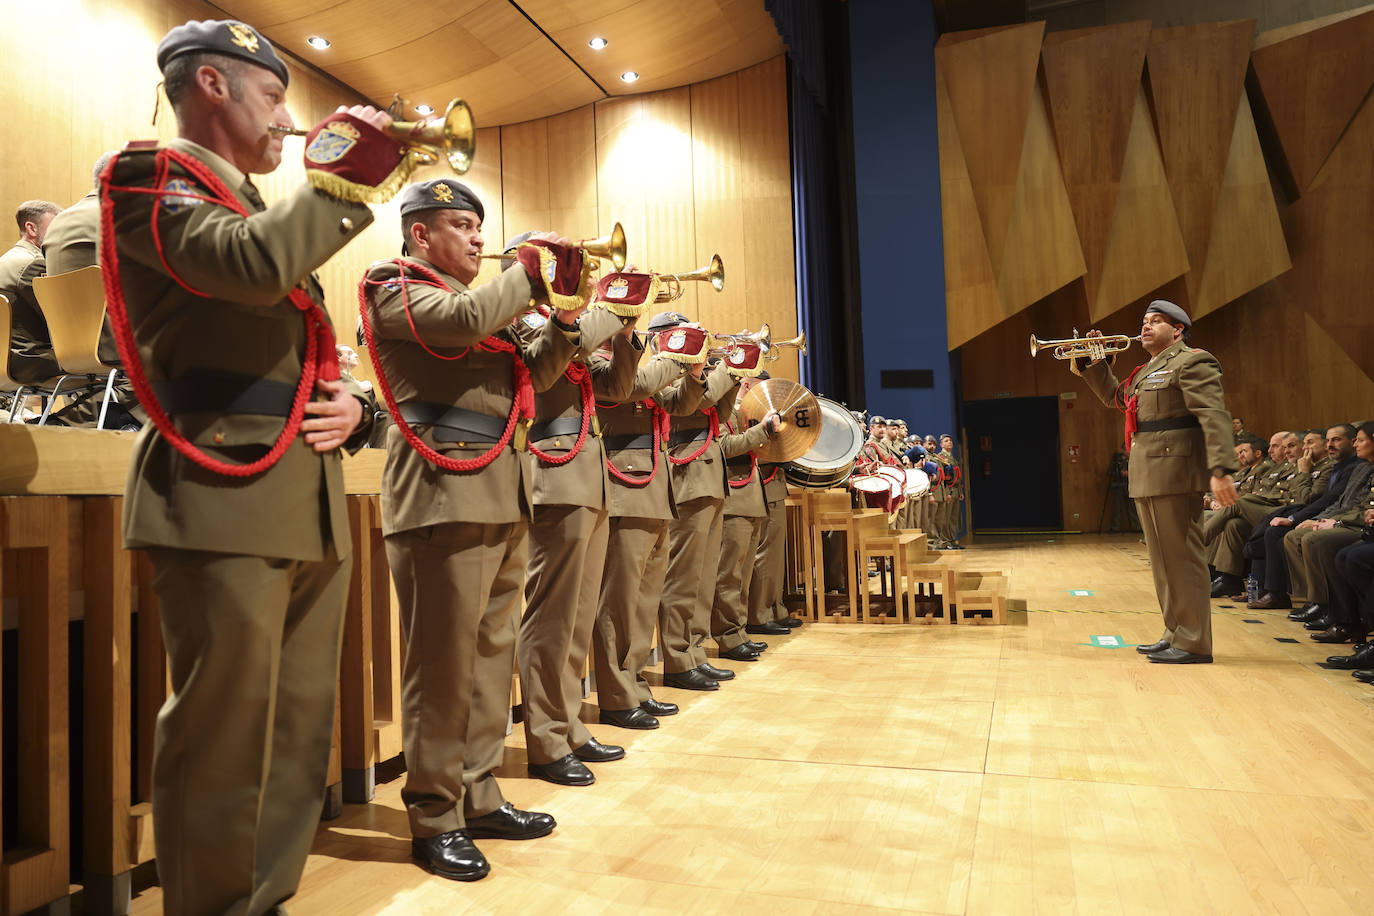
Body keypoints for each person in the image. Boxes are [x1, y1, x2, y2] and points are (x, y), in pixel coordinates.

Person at [101, 19, 387, 914]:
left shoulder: (264, 210)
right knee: (222, 737)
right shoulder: (149, 179)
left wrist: (358, 407)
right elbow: (251, 270)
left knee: (298, 733)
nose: (286, 126)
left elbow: (302, 342)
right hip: (219, 483)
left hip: (299, 490)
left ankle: (264, 899)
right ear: (214, 87)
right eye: (274, 99)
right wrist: (348, 174)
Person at [362, 180, 586, 880]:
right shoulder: (393, 286)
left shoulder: (490, 306)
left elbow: (541, 373)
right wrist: (527, 272)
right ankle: (434, 815)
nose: (479, 239)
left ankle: (479, 795)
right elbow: (458, 326)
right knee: (442, 667)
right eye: (462, 225)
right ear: (421, 234)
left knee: (491, 663)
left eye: (480, 227)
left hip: (499, 490)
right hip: (441, 496)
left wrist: (569, 320)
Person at [515, 259, 644, 788]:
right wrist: (605, 312)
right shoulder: (524, 319)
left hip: (590, 475)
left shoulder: (569, 330)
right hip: (557, 466)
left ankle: (568, 724)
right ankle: (544, 738)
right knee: (552, 613)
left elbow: (614, 389)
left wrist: (629, 332)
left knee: (578, 613)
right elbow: (542, 369)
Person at [1072, 300, 1237, 664]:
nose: (1146, 327)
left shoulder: (1193, 360)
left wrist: (1222, 469)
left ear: (1177, 330)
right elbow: (1117, 399)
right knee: (1163, 562)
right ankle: (1175, 632)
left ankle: (1194, 641)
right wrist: (1096, 360)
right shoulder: (1147, 370)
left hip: (1175, 471)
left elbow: (1213, 413)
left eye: (1156, 321)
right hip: (1148, 470)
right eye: (1144, 321)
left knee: (1184, 559)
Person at [592, 309, 708, 730]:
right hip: (624, 490)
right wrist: (674, 360)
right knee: (619, 602)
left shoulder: (642, 367)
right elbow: (628, 389)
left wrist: (695, 374)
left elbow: (680, 405)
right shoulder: (604, 361)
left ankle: (635, 683)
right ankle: (616, 694)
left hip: (655, 489)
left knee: (642, 602)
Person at [1249, 425, 1360, 610]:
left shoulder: (1331, 467)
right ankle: (1277, 591)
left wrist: (1303, 474)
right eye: (1330, 440)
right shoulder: (1334, 465)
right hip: (1315, 514)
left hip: (1333, 517)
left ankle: (1317, 600)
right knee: (1264, 527)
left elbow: (1310, 499)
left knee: (1283, 532)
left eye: (1336, 440)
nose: (1331, 445)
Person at [1, 200, 62, 385]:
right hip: (31, 360)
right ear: (31, 228)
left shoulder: (7, 259)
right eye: (56, 226)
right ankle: (83, 415)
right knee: (109, 362)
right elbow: (59, 319)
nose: (62, 234)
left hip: (8, 359)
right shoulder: (34, 264)